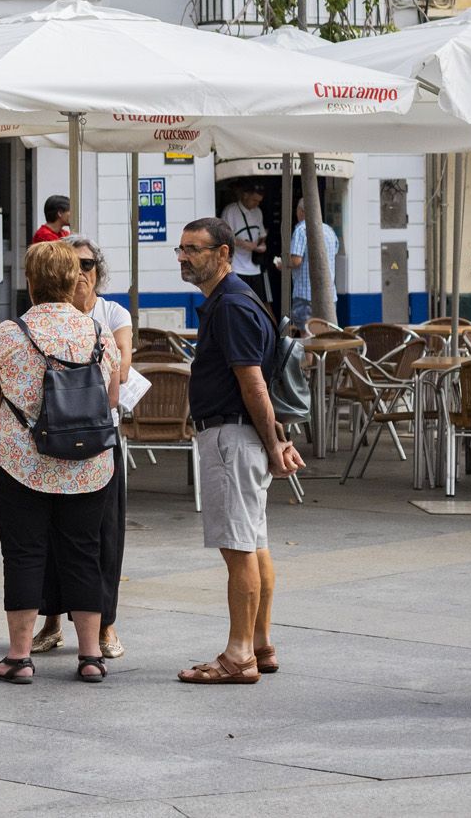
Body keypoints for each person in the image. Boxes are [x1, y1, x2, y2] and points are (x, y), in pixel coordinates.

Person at [0, 240, 118, 685]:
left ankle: (19, 658)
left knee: (23, 553)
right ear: (75, 279)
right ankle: (91, 656)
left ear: (31, 281)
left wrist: (23, 432)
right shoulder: (99, 333)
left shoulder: (10, 333)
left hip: (20, 463)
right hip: (89, 465)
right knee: (83, 552)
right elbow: (111, 401)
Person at [175, 218, 303, 685]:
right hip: (239, 436)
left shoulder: (230, 305)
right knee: (254, 544)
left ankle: (239, 655)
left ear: (224, 253)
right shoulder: (237, 300)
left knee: (238, 550)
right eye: (182, 249)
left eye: (195, 249)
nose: (185, 257)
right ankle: (262, 644)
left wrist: (274, 444)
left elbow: (253, 384)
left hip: (231, 438)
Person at [31, 236, 132, 661]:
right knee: (49, 533)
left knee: (104, 536)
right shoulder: (42, 317)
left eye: (88, 265)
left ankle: (105, 626)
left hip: (98, 438)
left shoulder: (112, 314)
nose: (80, 272)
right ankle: (51, 620)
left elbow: (123, 369)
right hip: (50, 437)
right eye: (73, 265)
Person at [278, 216, 339, 331]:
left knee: (306, 333)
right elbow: (334, 253)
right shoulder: (329, 230)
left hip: (305, 294)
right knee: (326, 333)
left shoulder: (301, 230)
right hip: (329, 294)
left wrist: (283, 263)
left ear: (300, 211)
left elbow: (296, 260)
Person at [220, 183, 271, 305]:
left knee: (261, 304)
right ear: (245, 196)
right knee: (239, 303)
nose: (257, 204)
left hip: (255, 267)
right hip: (237, 267)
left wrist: (262, 244)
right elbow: (223, 237)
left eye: (259, 201)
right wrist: (243, 244)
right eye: (254, 200)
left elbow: (262, 235)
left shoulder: (258, 211)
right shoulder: (230, 211)